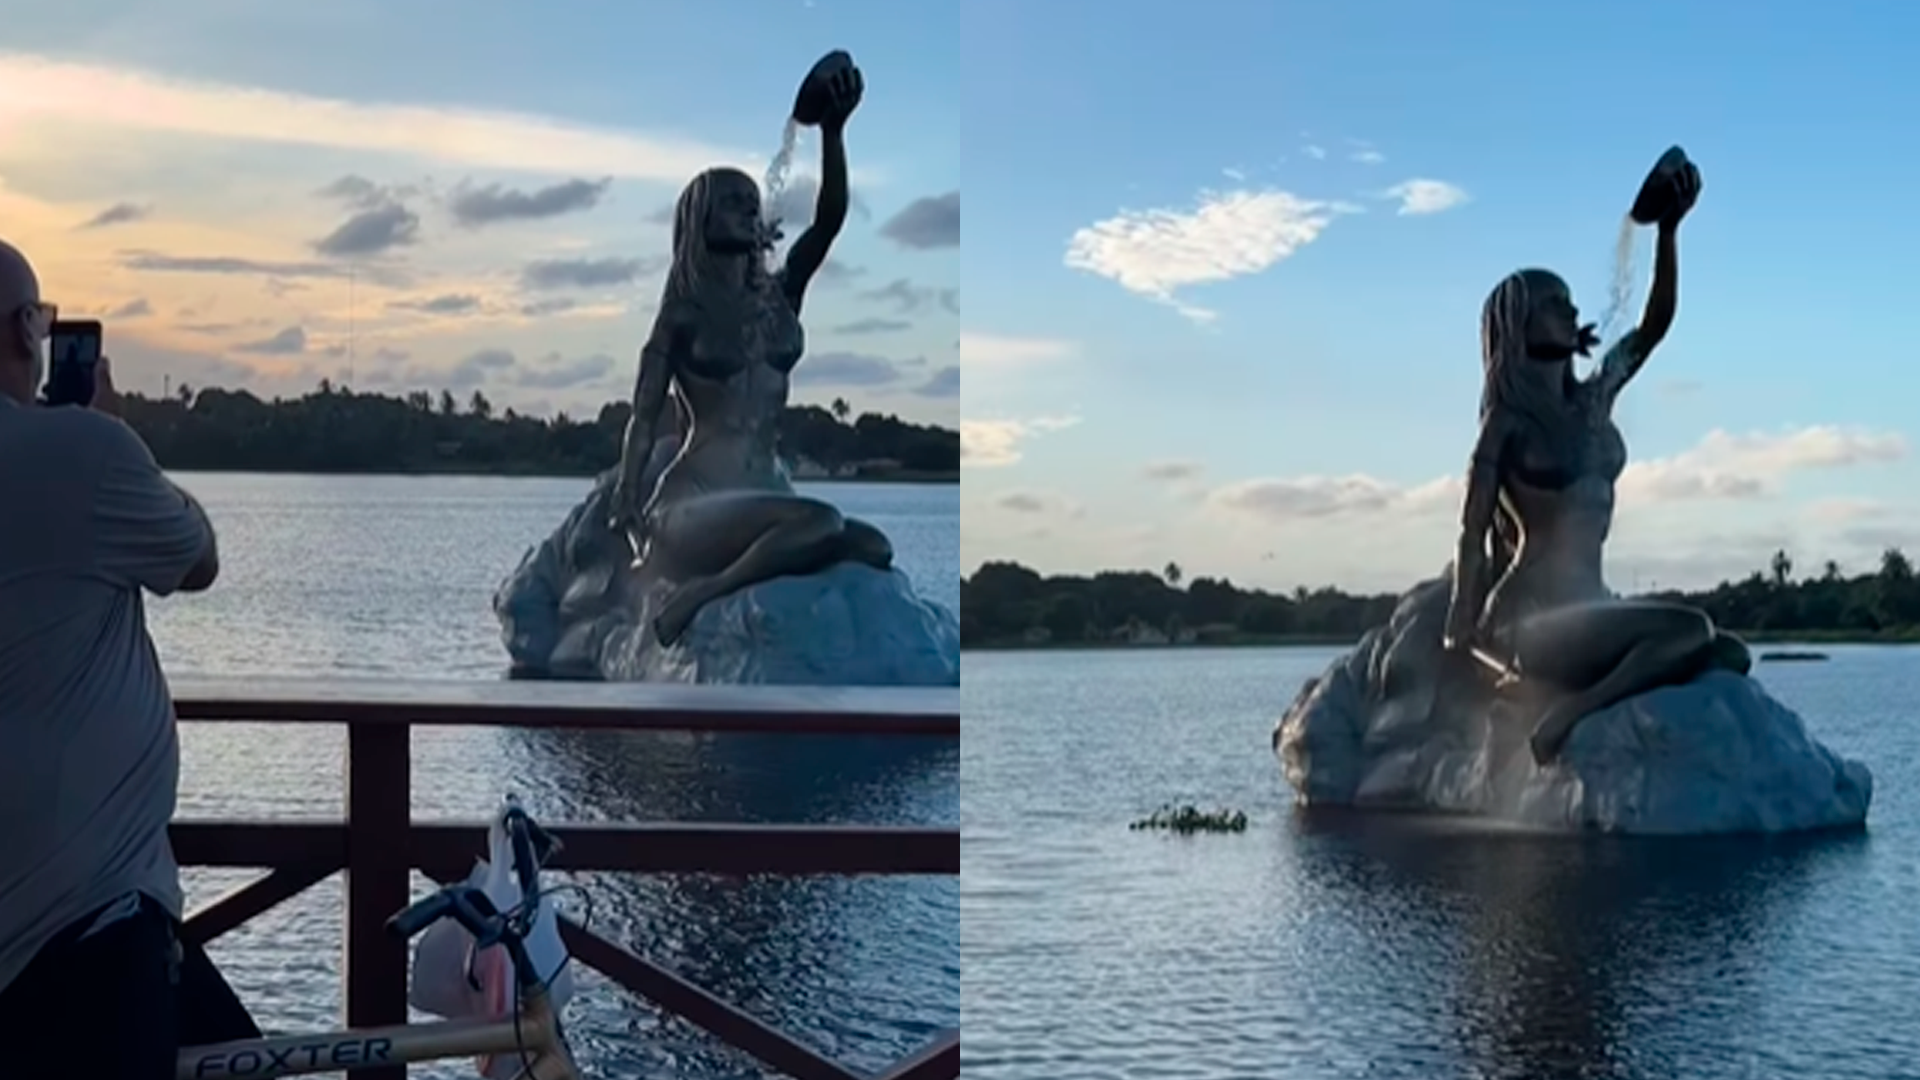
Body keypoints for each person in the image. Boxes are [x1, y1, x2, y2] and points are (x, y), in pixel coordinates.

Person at [0, 240, 256, 1076]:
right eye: (38, 321)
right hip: (82, 939)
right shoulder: (83, 452)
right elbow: (198, 560)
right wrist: (117, 439)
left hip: (90, 931)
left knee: (243, 1059)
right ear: (21, 334)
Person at [1440, 161, 1749, 765]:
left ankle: (1594, 702)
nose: (1569, 308)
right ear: (1517, 325)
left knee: (1730, 653)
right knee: (1688, 633)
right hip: (1532, 619)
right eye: (1554, 303)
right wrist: (1462, 616)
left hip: (1592, 606)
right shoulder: (1506, 423)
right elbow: (1470, 532)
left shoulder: (1593, 398)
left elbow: (1651, 328)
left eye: (1568, 300)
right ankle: (1575, 710)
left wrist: (1669, 232)